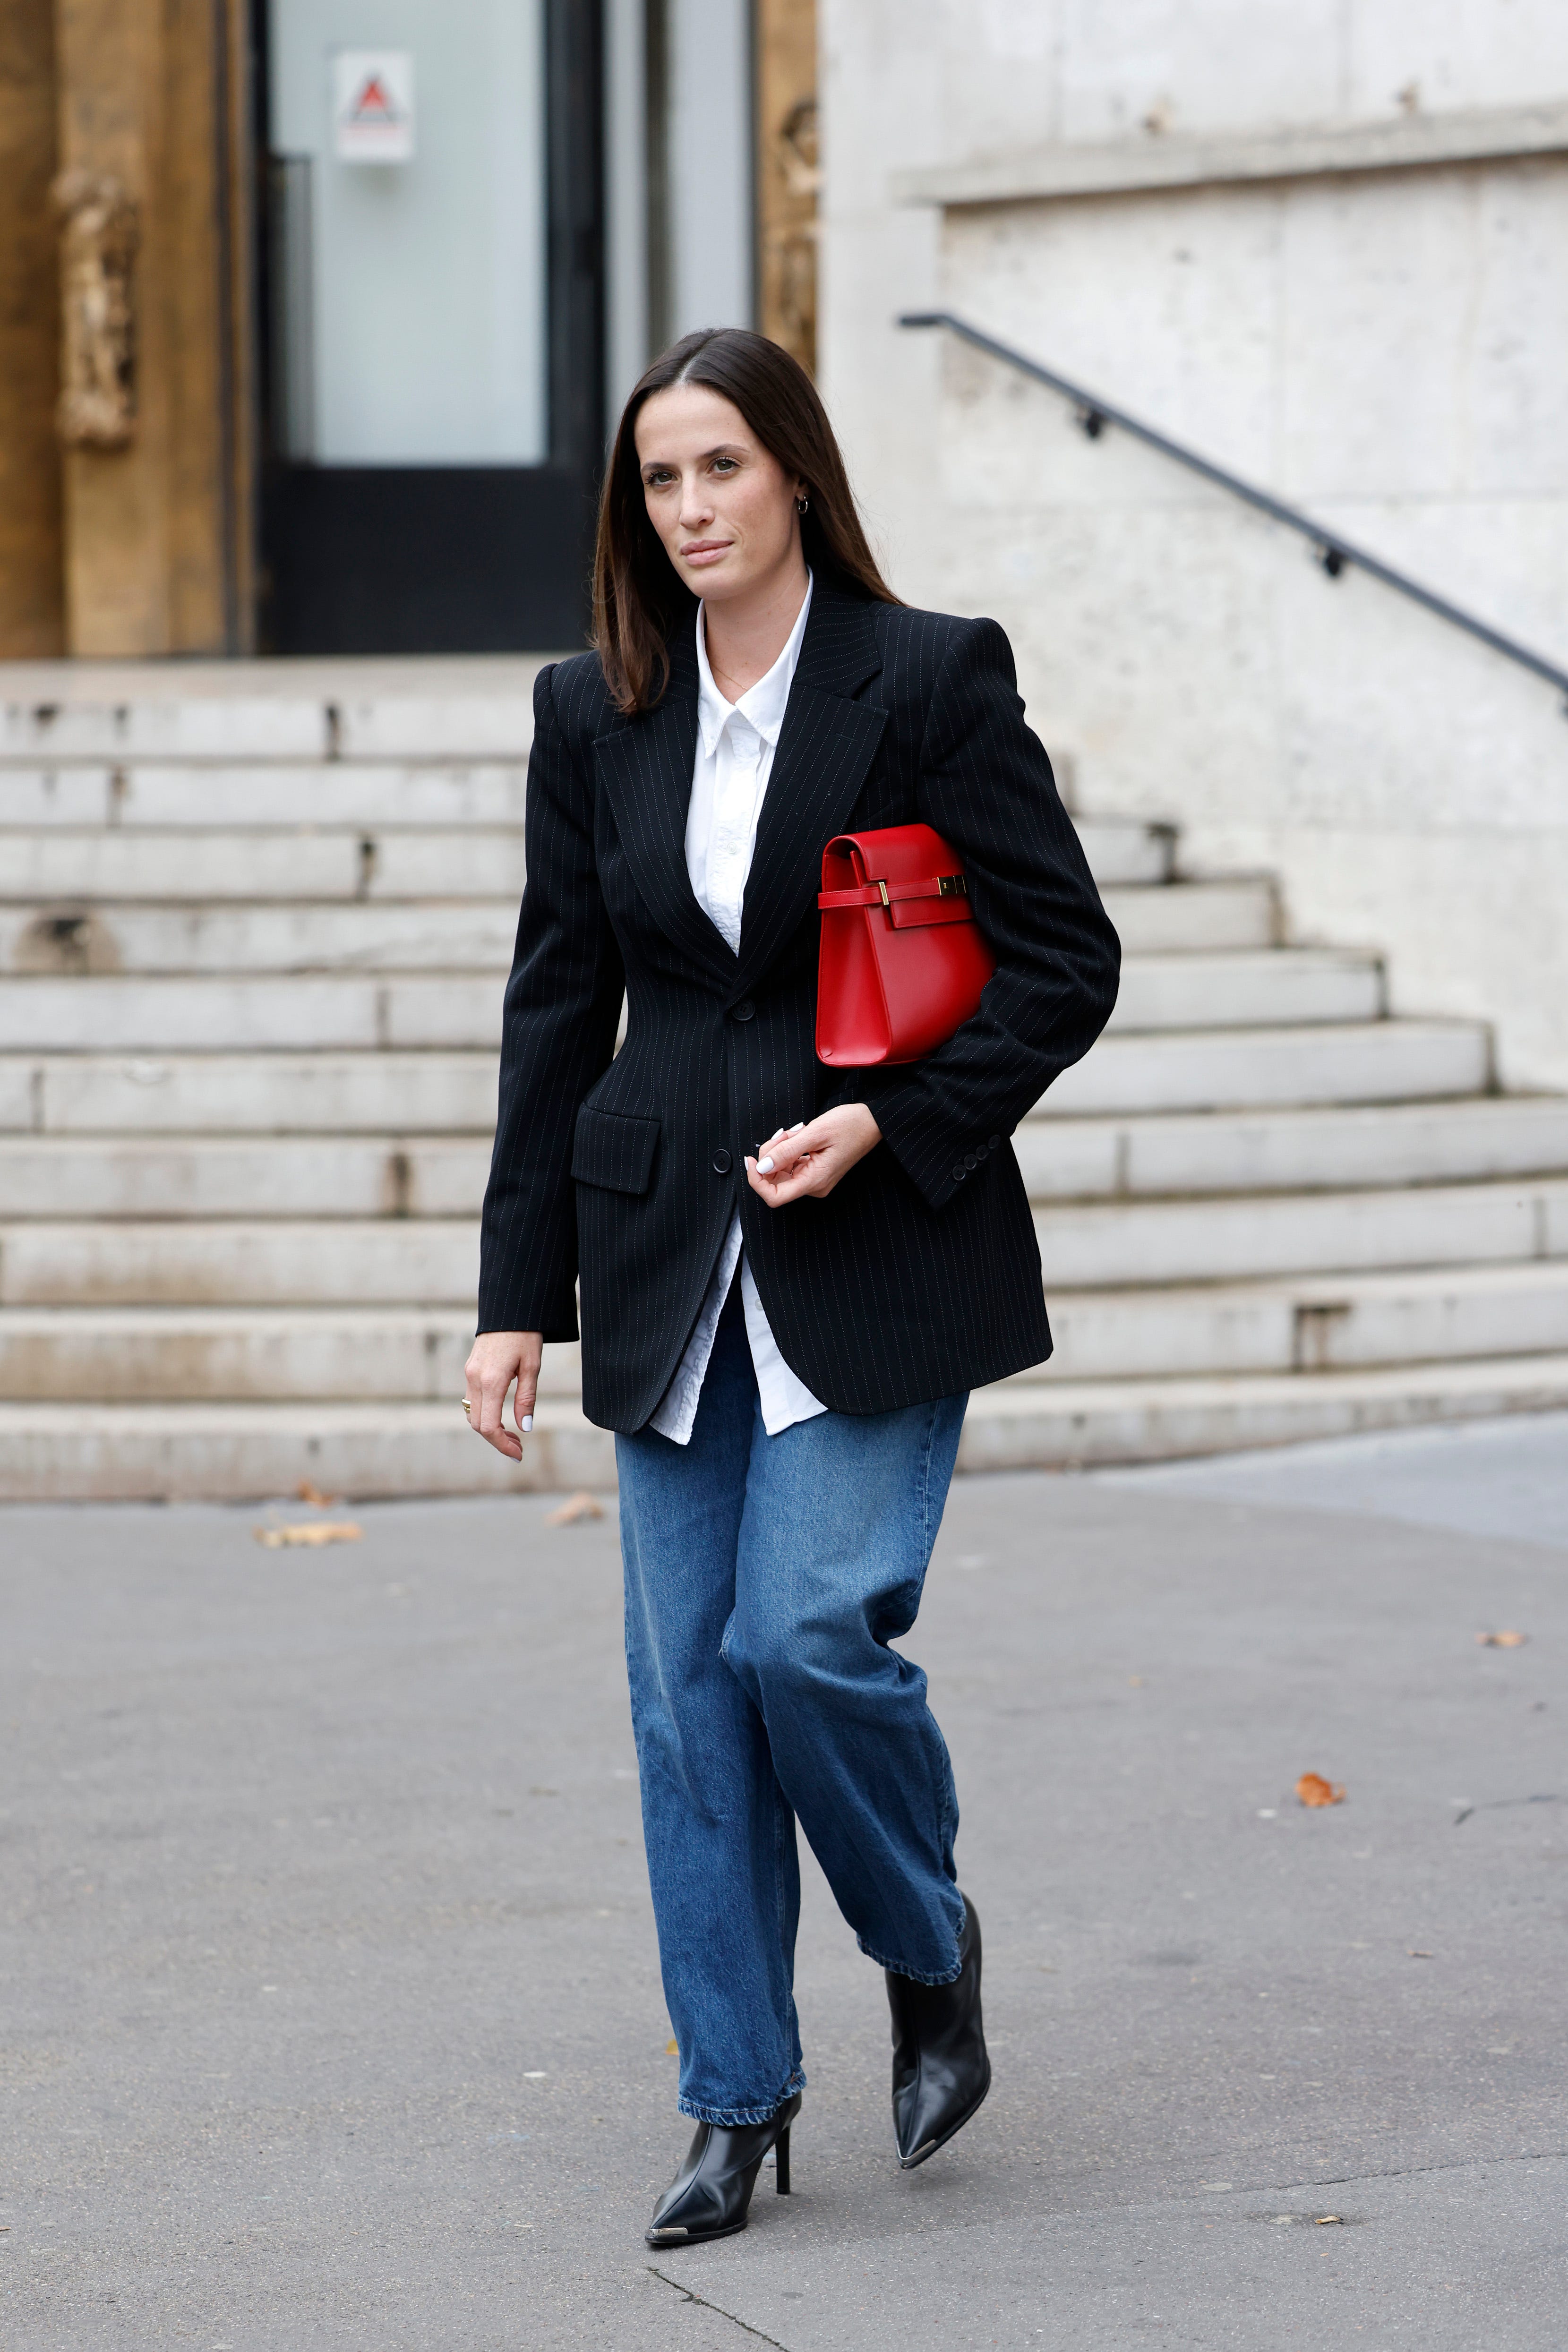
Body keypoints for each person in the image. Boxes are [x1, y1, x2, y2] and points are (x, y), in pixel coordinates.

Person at [464, 328, 1120, 2246]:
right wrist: (514, 1295)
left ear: (796, 479)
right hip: (662, 1248)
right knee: (684, 1705)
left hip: (876, 1236)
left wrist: (890, 1121)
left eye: (720, 472)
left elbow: (1058, 961)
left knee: (799, 1643)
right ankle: (733, 2102)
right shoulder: (591, 707)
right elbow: (552, 1005)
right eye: (657, 481)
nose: (687, 511)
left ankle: (927, 1943)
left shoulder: (922, 678)